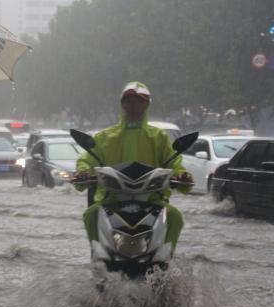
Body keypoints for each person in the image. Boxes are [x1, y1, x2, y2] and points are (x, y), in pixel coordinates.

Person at [72, 81, 192, 252]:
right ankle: (97, 257)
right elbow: (87, 159)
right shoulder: (105, 137)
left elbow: (173, 161)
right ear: (123, 104)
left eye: (139, 102)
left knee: (174, 216)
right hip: (112, 199)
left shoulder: (158, 137)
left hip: (152, 199)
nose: (134, 106)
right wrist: (83, 172)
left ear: (146, 105)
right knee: (91, 215)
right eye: (129, 101)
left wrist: (182, 175)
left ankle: (166, 258)